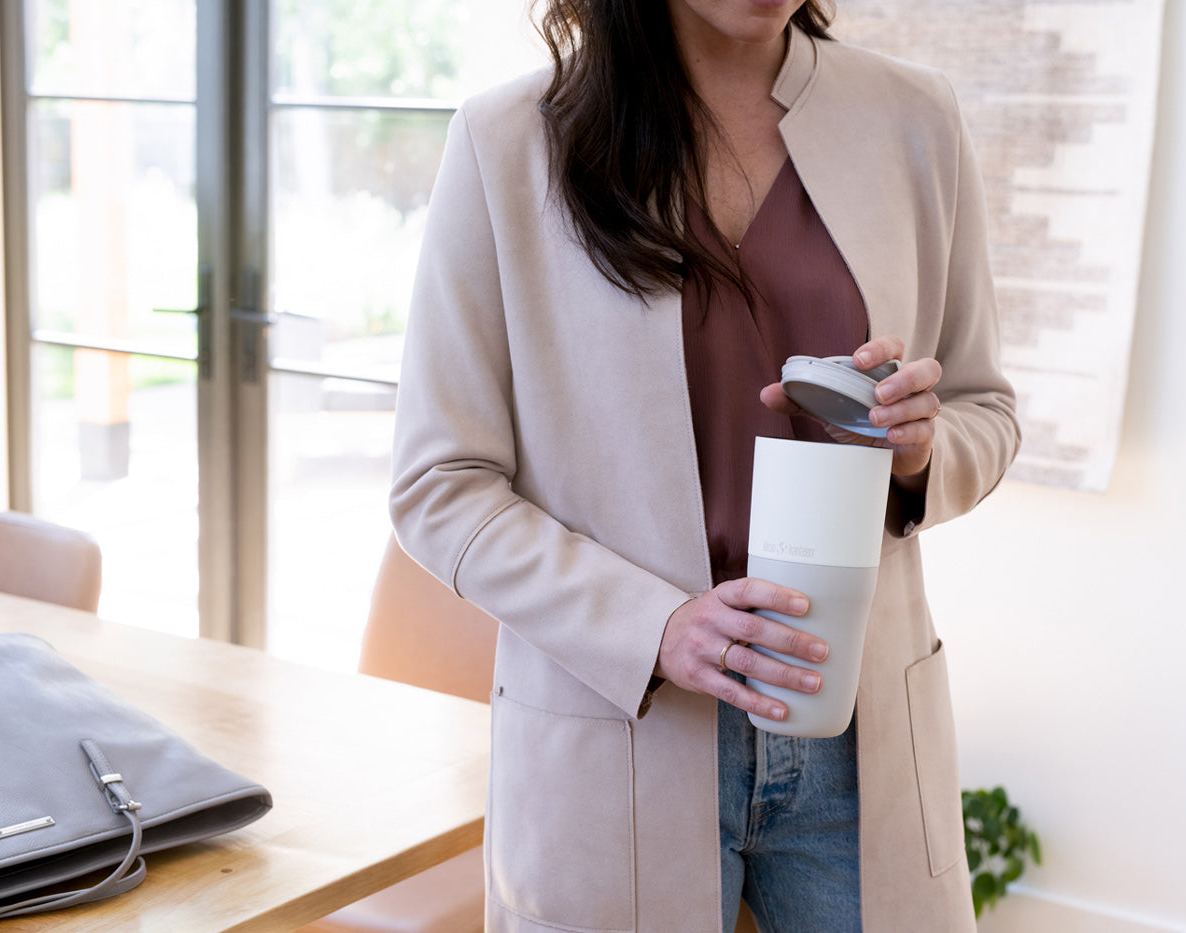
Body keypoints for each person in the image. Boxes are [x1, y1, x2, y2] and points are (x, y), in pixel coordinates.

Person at [389, 1, 1019, 930]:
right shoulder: (508, 143)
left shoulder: (915, 118)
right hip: (625, 728)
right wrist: (658, 626)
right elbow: (437, 486)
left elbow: (984, 409)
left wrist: (922, 452)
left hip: (861, 730)